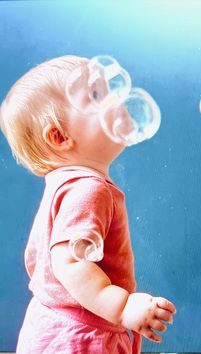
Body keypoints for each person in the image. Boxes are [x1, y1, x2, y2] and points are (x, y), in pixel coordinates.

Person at [0, 54, 176, 354]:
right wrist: (121, 308)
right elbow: (70, 262)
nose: (116, 99)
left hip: (57, 328)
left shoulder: (65, 185)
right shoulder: (89, 189)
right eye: (96, 95)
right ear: (59, 136)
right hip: (80, 338)